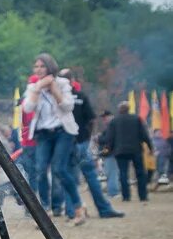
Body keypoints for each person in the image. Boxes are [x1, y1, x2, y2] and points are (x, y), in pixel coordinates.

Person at [22, 54, 84, 225]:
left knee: (59, 169)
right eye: (36, 67)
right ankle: (45, 211)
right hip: (43, 133)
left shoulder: (63, 84)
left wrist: (53, 88)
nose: (39, 69)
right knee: (41, 170)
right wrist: (38, 88)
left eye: (42, 66)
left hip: (63, 131)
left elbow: (67, 106)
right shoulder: (33, 87)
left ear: (50, 67)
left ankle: (78, 208)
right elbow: (28, 107)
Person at [64, 69, 123, 218]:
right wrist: (86, 138)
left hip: (66, 144)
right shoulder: (80, 96)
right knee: (90, 175)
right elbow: (91, 120)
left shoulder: (57, 99)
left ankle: (71, 211)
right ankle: (103, 209)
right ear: (72, 81)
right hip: (80, 142)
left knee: (69, 177)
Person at [100, 102, 152, 202]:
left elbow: (110, 138)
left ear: (119, 110)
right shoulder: (137, 119)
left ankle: (126, 196)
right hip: (136, 150)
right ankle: (143, 196)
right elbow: (144, 135)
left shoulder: (114, 121)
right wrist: (150, 147)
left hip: (120, 151)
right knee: (140, 173)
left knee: (123, 174)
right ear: (129, 109)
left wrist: (107, 150)